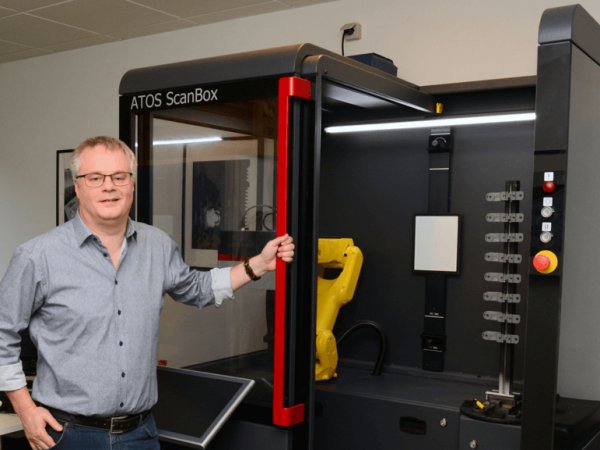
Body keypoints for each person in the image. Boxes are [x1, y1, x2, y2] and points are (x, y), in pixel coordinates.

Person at [0, 136, 294, 450]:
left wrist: (259, 264)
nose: (109, 186)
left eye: (119, 176)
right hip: (67, 435)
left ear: (132, 183)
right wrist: (26, 410)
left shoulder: (158, 245)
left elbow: (198, 289)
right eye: (95, 178)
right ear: (79, 185)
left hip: (140, 434)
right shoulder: (38, 256)